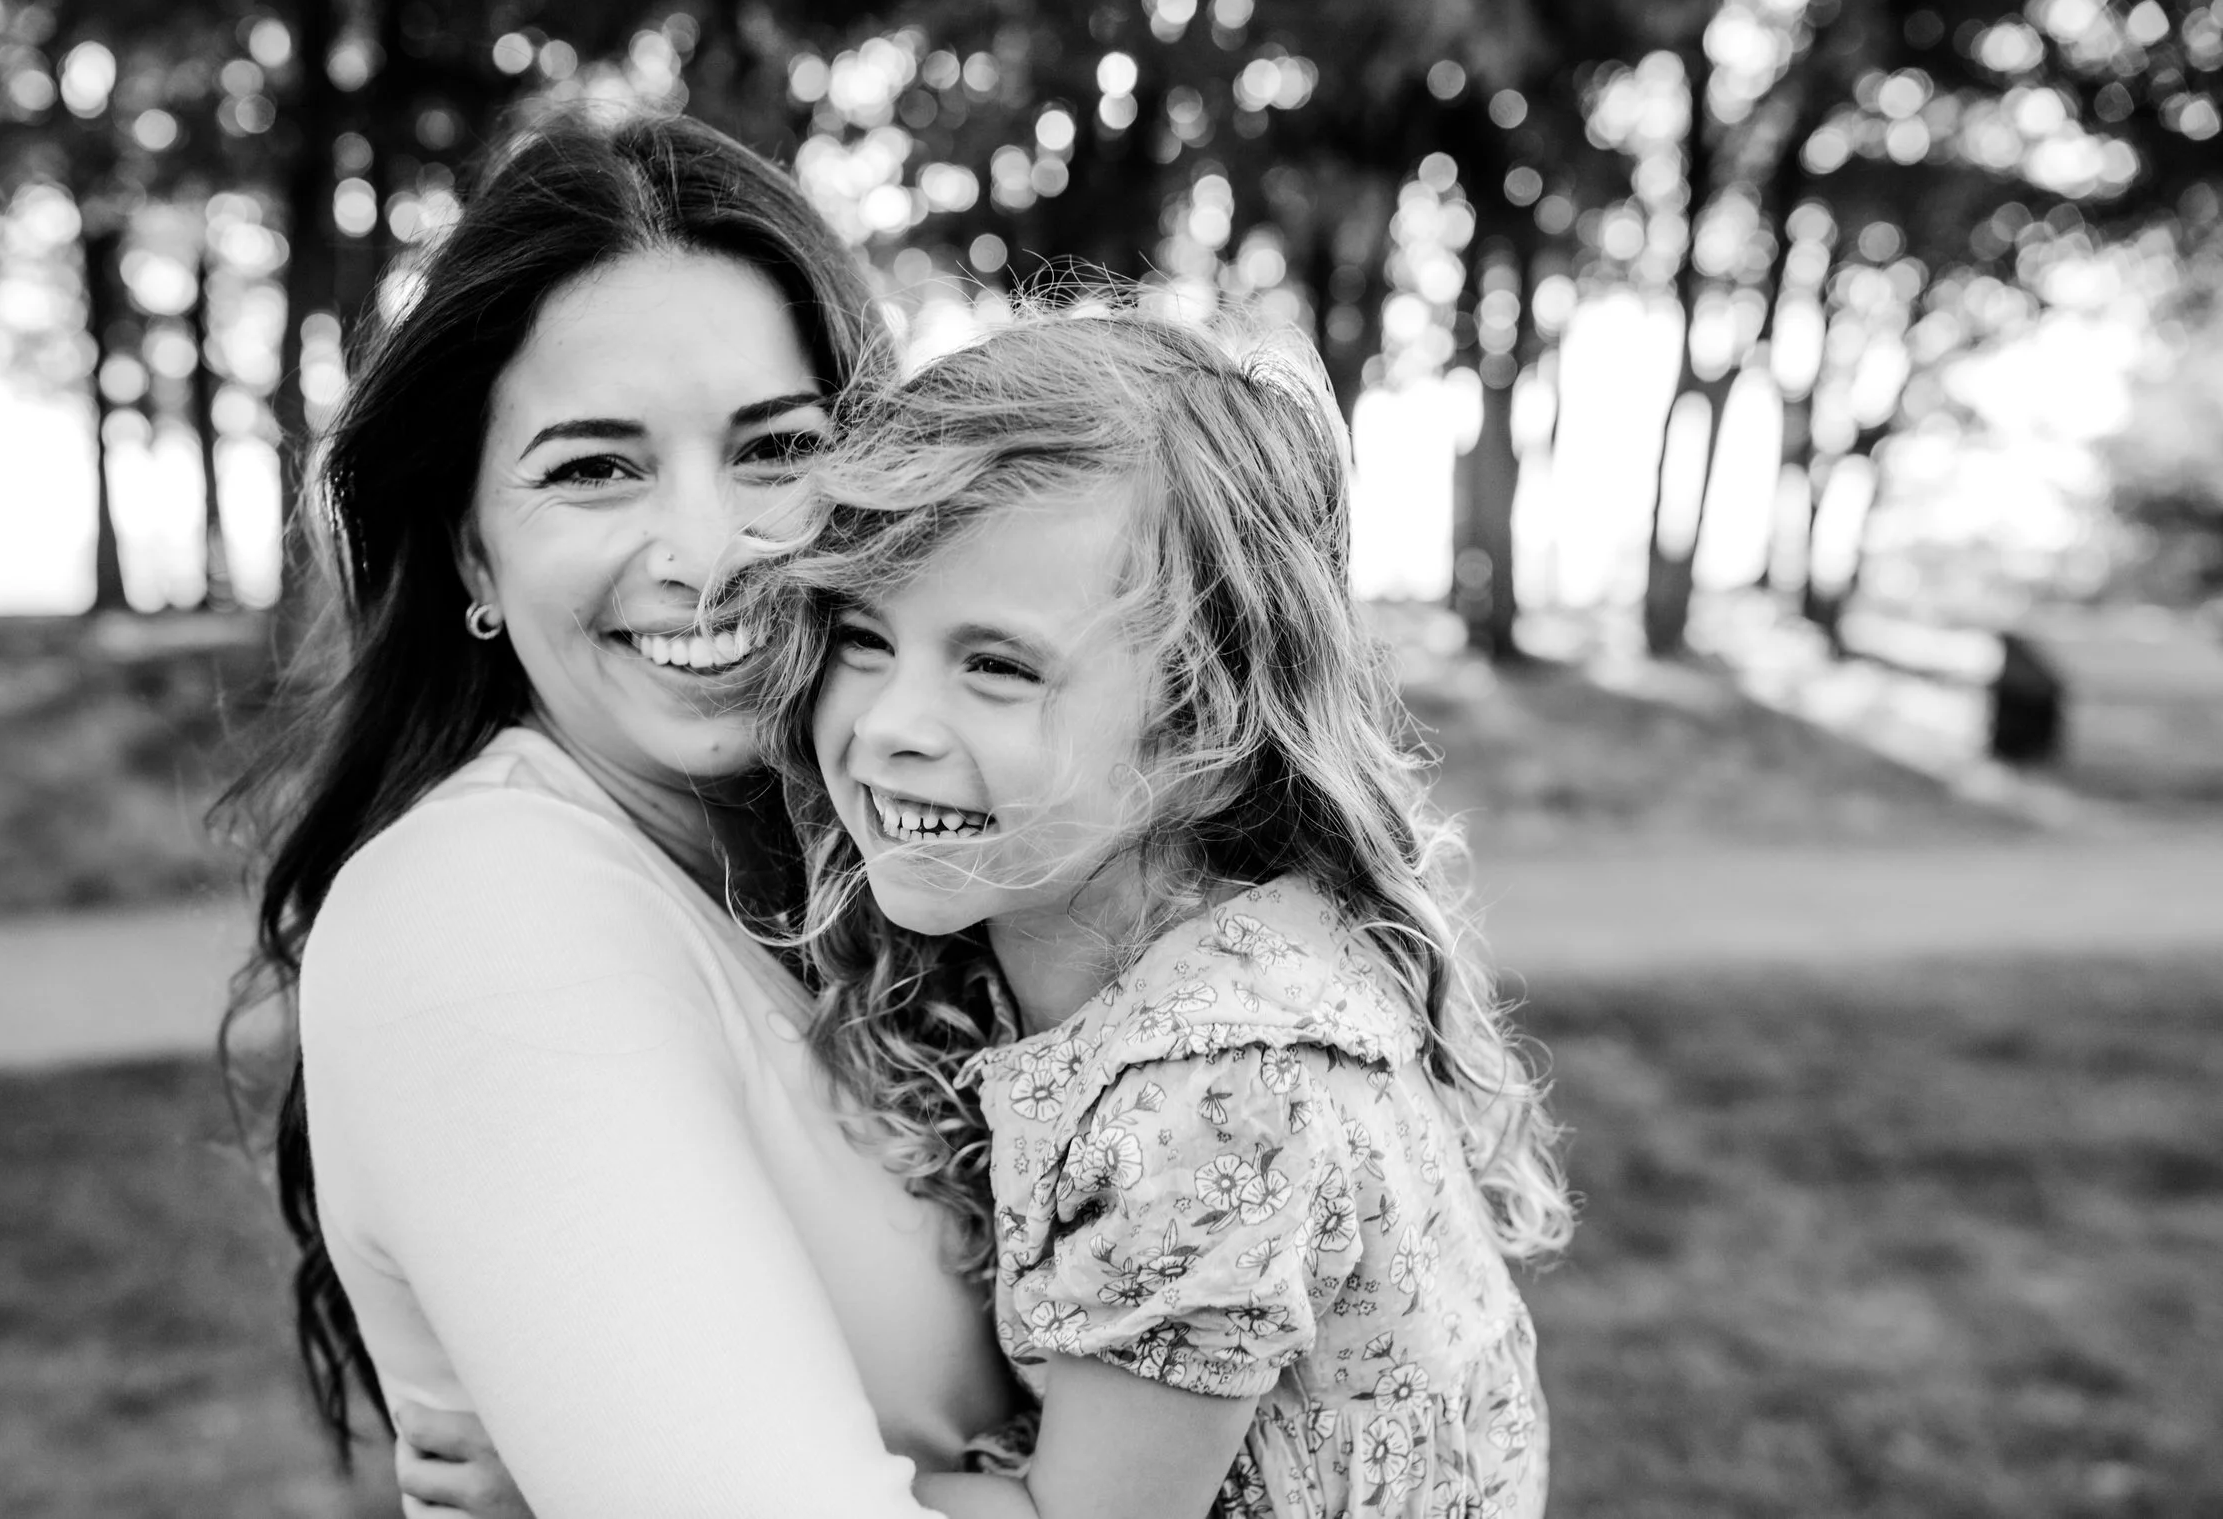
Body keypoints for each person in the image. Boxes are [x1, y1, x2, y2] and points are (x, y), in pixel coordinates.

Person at [227, 107, 1016, 1518]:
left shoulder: (906, 872)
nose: (709, 553)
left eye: (776, 448)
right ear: (474, 552)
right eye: (595, 466)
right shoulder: (477, 917)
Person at [735, 310, 1574, 1518]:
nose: (888, 725)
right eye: (865, 637)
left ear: (1203, 728)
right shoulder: (1160, 955)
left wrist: (621, 1478)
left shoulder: (1216, 1090)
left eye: (996, 665)